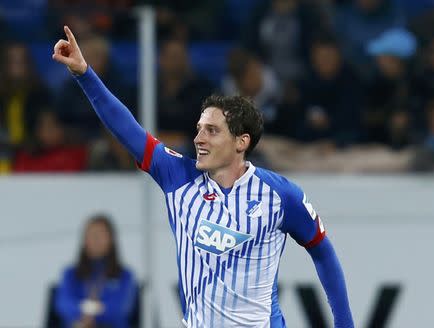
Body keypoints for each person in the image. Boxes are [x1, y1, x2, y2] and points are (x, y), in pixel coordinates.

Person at [52, 26, 354, 327]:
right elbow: (125, 127)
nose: (199, 138)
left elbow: (323, 253)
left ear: (241, 141)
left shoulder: (280, 195)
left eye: (212, 131)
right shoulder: (177, 177)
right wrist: (84, 73)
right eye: (199, 129)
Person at [54, 214, 138, 328]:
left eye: (100, 235)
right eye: (91, 235)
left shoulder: (125, 275)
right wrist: (93, 311)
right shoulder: (70, 274)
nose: (95, 240)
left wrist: (87, 312)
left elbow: (119, 309)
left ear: (111, 239)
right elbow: (64, 305)